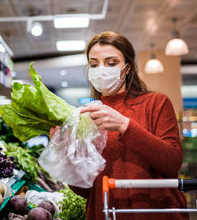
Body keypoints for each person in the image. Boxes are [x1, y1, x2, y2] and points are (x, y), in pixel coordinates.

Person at [51, 31, 188, 220]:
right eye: (94, 64)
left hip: (154, 212)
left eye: (111, 63)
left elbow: (172, 162)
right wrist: (67, 154)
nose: (101, 69)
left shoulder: (156, 103)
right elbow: (87, 190)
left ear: (127, 68)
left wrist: (125, 125)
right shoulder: (86, 116)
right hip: (106, 213)